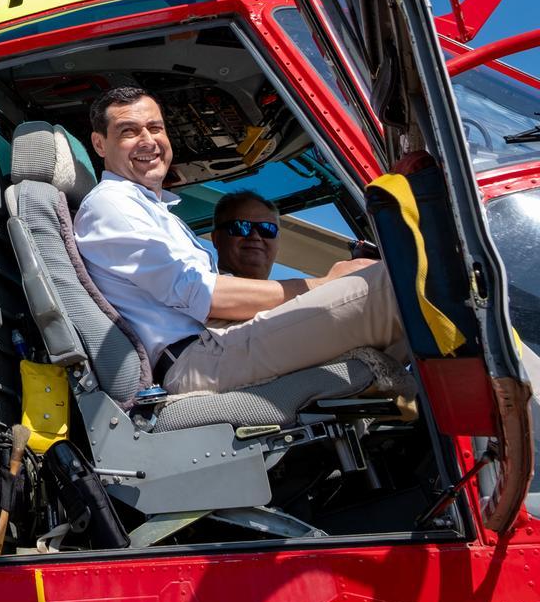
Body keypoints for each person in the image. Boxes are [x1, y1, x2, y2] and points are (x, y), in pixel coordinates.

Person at [73, 86, 405, 395]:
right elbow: (200, 294)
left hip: (214, 342)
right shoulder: (112, 204)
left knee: (396, 304)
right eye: (129, 131)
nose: (147, 140)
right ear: (100, 144)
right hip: (198, 358)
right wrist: (323, 284)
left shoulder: (151, 210)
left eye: (155, 128)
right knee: (397, 285)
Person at [211, 190, 280, 281]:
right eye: (240, 226)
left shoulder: (294, 294)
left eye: (267, 229)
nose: (255, 236)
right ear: (216, 238)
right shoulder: (196, 288)